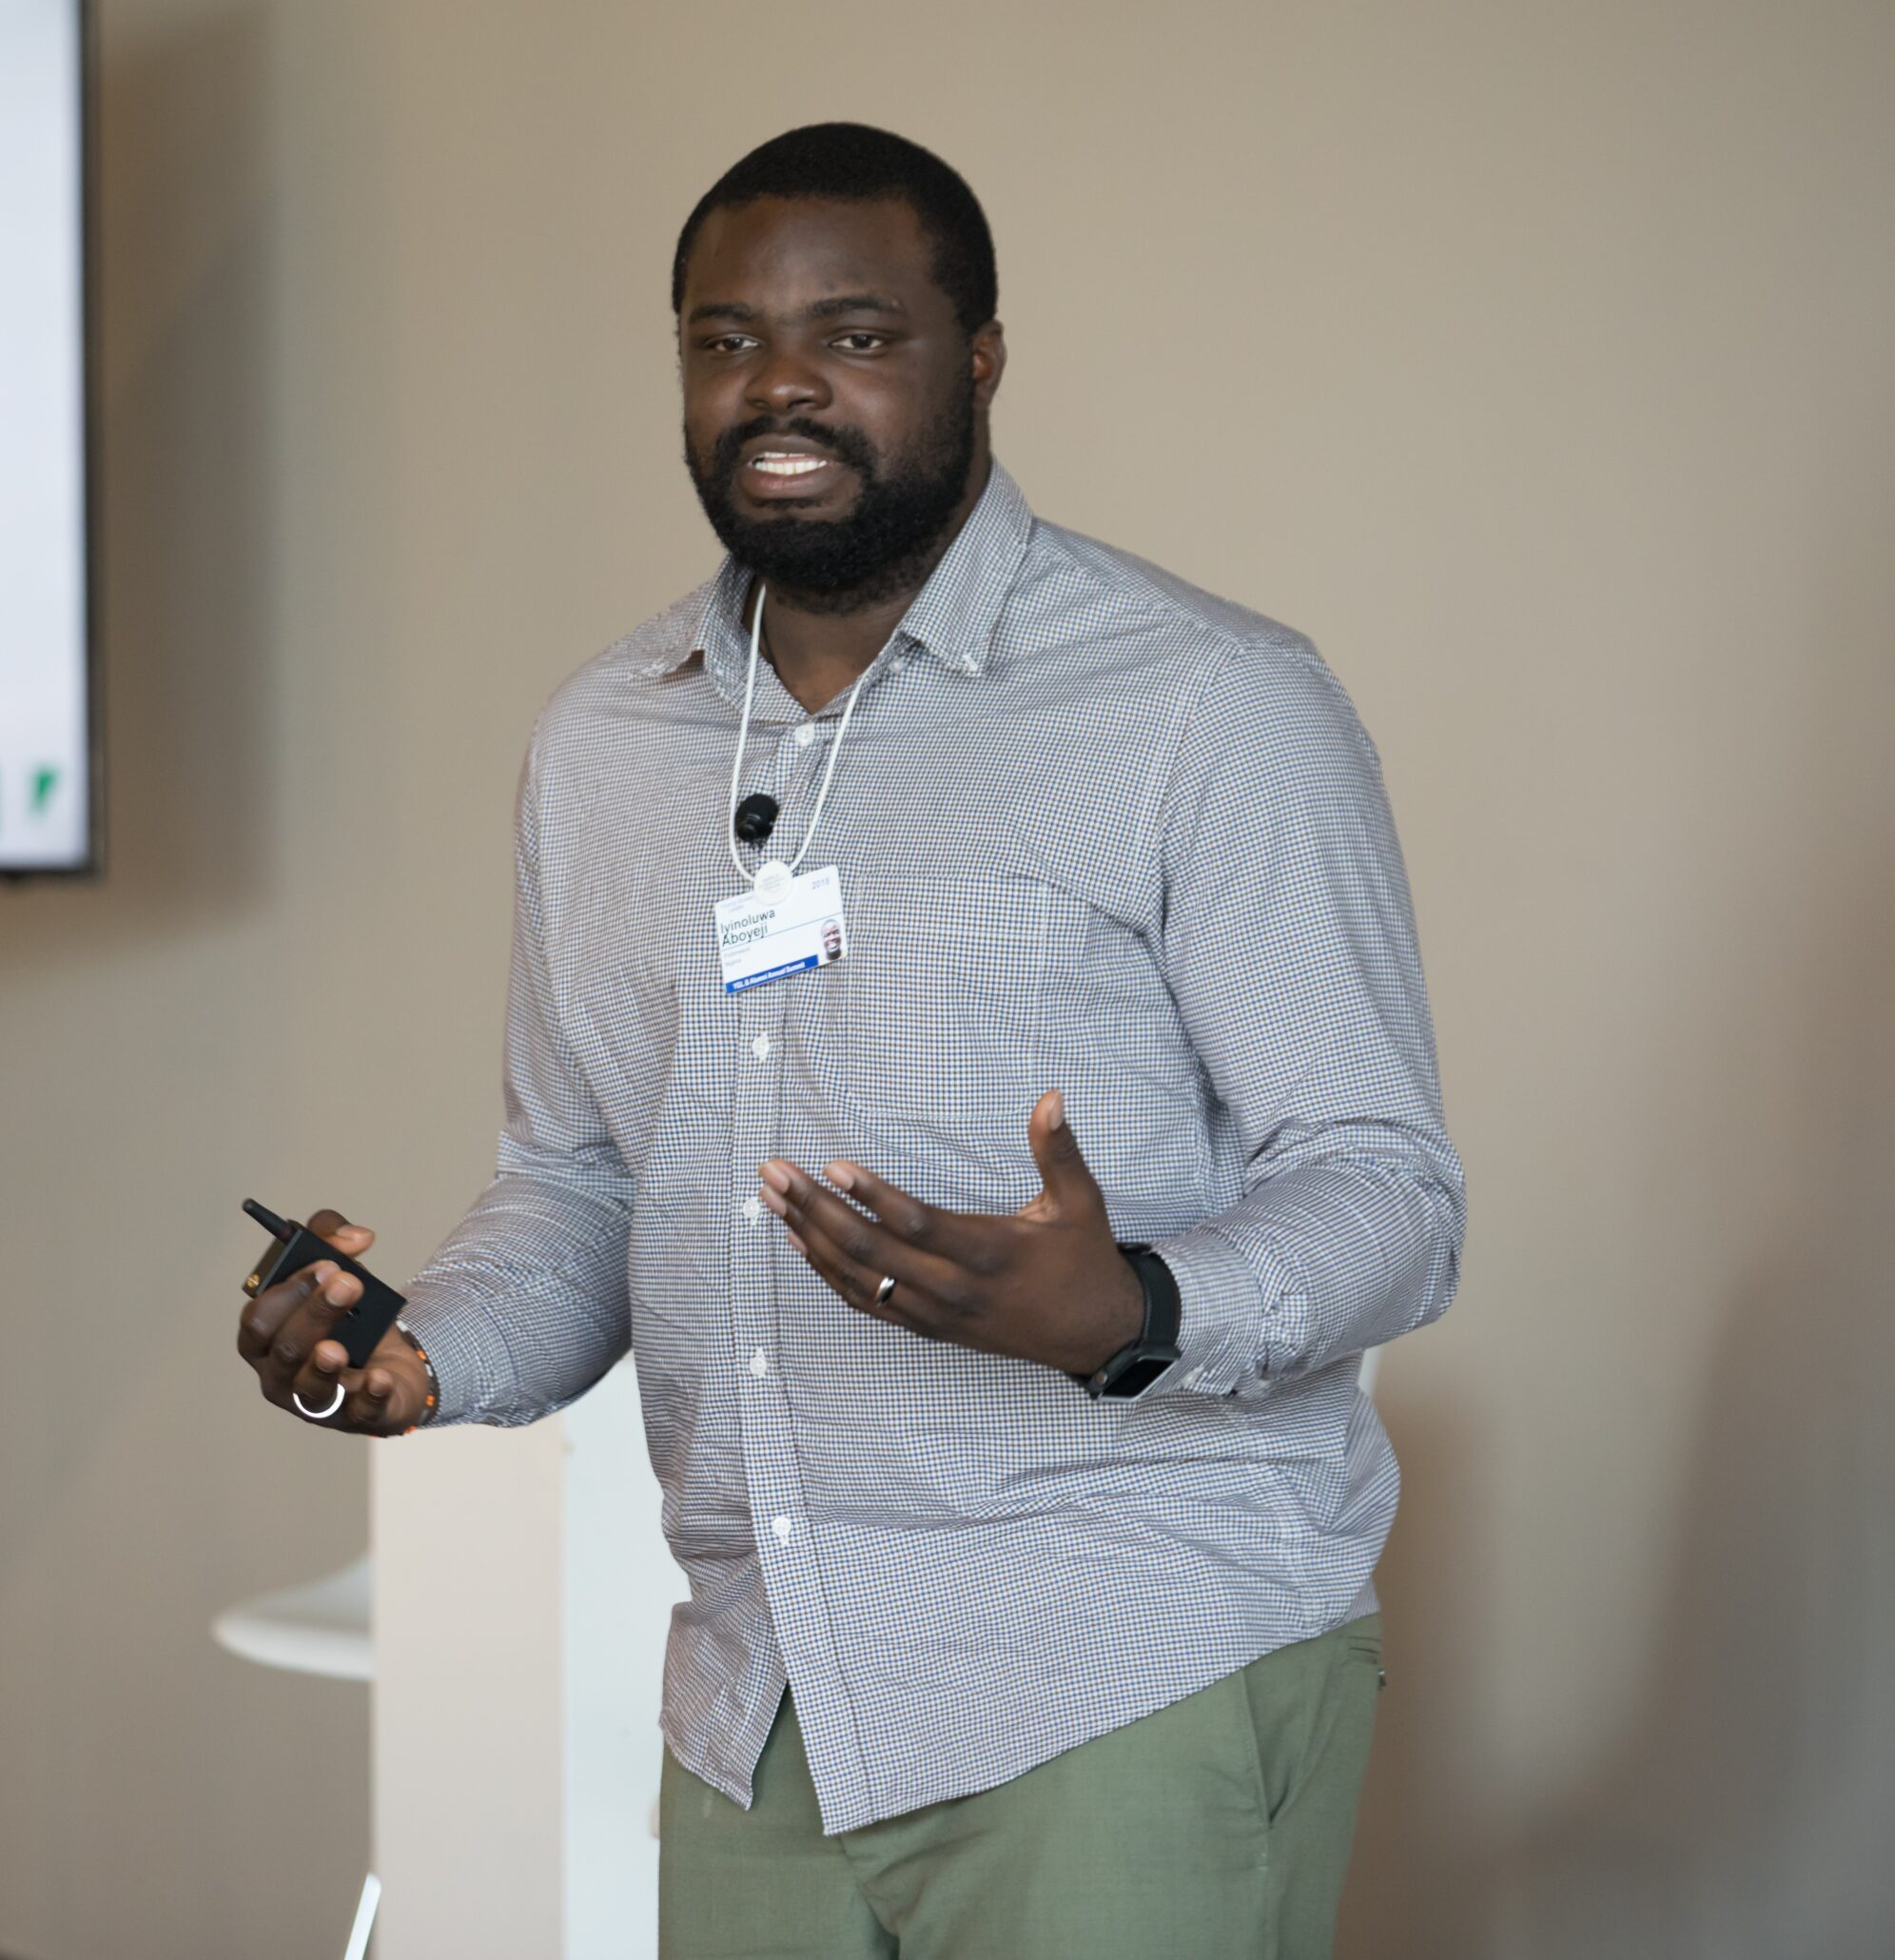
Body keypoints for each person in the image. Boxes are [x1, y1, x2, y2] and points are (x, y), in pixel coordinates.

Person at [237, 123, 1463, 1958]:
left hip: (1121, 1676)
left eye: (857, 333)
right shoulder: (604, 748)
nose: (782, 381)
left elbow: (1390, 1190)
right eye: (725, 339)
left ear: (979, 358)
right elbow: (577, 1185)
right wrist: (414, 1358)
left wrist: (1136, 1305)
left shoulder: (1209, 705)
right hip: (763, 1705)